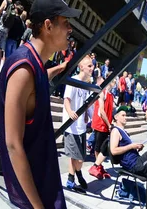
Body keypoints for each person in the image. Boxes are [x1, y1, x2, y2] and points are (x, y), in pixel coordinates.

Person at [0, 0, 81, 208]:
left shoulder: (36, 65)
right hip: (32, 195)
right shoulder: (23, 69)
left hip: (43, 182)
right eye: (65, 23)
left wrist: (59, 69)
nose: (70, 29)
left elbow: (40, 77)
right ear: (48, 25)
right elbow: (13, 144)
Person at [62, 56, 96, 194]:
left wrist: (88, 114)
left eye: (92, 65)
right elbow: (67, 99)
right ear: (81, 67)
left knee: (80, 157)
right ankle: (72, 180)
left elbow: (85, 104)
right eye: (89, 66)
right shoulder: (74, 81)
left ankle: (77, 175)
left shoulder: (86, 84)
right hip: (71, 125)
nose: (92, 68)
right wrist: (70, 111)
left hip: (81, 125)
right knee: (76, 156)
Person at [88, 75, 115, 180]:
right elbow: (102, 111)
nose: (115, 83)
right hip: (101, 124)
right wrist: (109, 124)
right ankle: (96, 166)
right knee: (99, 147)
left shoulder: (110, 95)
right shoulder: (102, 93)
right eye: (114, 80)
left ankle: (99, 165)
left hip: (105, 124)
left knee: (102, 147)